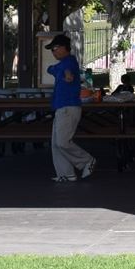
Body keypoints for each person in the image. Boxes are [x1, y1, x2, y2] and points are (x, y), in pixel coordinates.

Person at [47, 33, 95, 183]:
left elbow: (68, 72)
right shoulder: (62, 64)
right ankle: (66, 174)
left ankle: (87, 160)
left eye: (54, 48)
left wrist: (67, 75)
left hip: (68, 108)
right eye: (51, 50)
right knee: (56, 143)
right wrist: (57, 71)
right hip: (62, 108)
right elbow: (50, 69)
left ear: (63, 48)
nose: (53, 52)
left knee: (62, 142)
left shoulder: (69, 62)